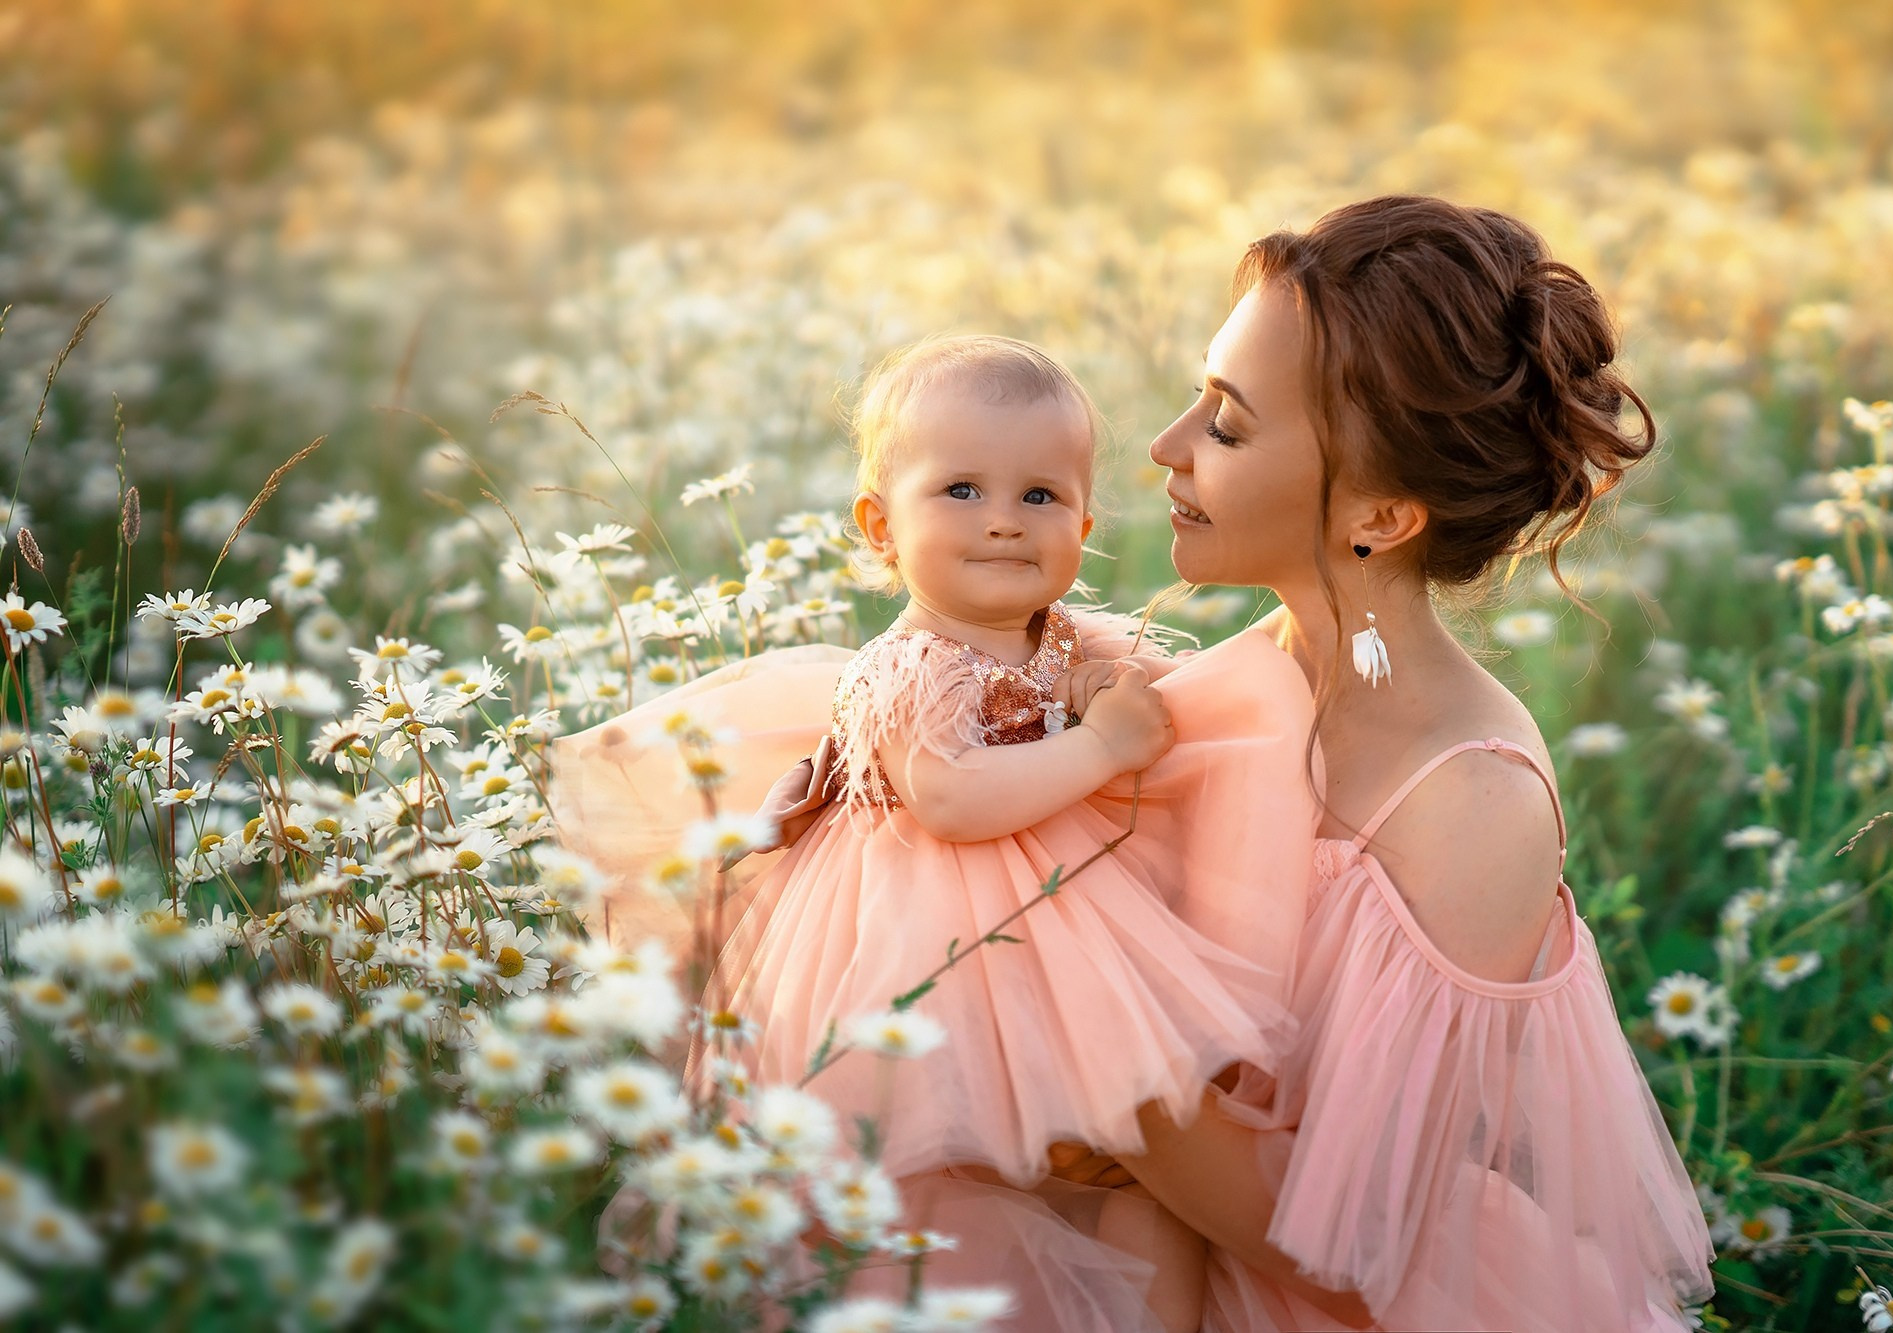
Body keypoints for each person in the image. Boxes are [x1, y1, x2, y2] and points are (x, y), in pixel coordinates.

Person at [1037, 195, 1717, 1331]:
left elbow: (1356, 1245)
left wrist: (1109, 1070)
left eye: (1228, 424)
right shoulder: (1199, 693)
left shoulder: (1470, 799)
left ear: (1383, 515)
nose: (1164, 446)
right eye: (1201, 396)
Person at [556, 334, 1321, 1331]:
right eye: (960, 490)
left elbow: (1145, 712)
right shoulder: (901, 669)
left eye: (1039, 497)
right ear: (879, 526)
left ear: (1084, 523)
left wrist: (1102, 699)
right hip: (932, 952)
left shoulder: (1068, 644)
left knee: (1134, 1186)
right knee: (949, 1178)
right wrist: (1096, 751)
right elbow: (952, 799)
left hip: (1068, 941)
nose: (1002, 522)